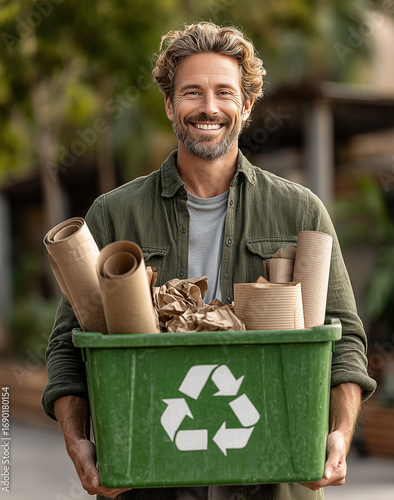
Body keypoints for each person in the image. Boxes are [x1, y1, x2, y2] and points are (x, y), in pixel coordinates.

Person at [42, 22, 376, 500]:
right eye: (192, 93)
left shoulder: (299, 212)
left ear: (246, 105)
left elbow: (344, 341)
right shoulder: (115, 214)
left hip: (275, 483)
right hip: (151, 482)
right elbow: (67, 348)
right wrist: (78, 443)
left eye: (224, 92)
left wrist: (339, 436)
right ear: (169, 104)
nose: (208, 107)